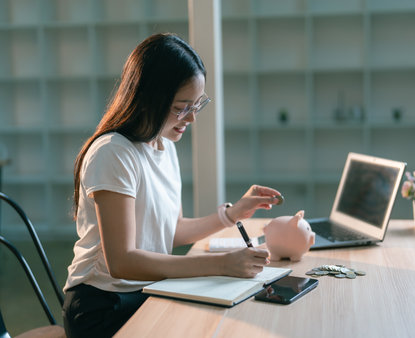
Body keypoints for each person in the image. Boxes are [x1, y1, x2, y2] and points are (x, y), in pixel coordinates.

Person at [62, 33, 282, 338]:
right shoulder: (113, 153)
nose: (191, 118)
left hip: (146, 289)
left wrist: (233, 214)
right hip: (103, 305)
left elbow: (172, 230)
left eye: (197, 105)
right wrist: (220, 265)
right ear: (149, 98)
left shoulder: (164, 146)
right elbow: (122, 262)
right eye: (182, 107)